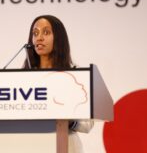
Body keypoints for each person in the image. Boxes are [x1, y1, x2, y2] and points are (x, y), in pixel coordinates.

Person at [23, 14, 94, 153]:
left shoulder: (75, 76)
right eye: (35, 33)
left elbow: (88, 123)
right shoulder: (23, 78)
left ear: (58, 39)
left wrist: (70, 121)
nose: (39, 38)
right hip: (31, 145)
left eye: (46, 32)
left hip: (66, 146)